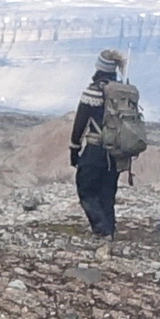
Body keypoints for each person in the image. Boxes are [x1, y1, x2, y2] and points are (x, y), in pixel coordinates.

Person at [66, 49, 147, 237]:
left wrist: (74, 149)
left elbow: (80, 123)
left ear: (99, 67)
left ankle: (101, 230)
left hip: (95, 148)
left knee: (86, 188)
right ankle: (109, 230)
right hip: (116, 151)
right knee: (107, 192)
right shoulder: (122, 92)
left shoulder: (93, 91)